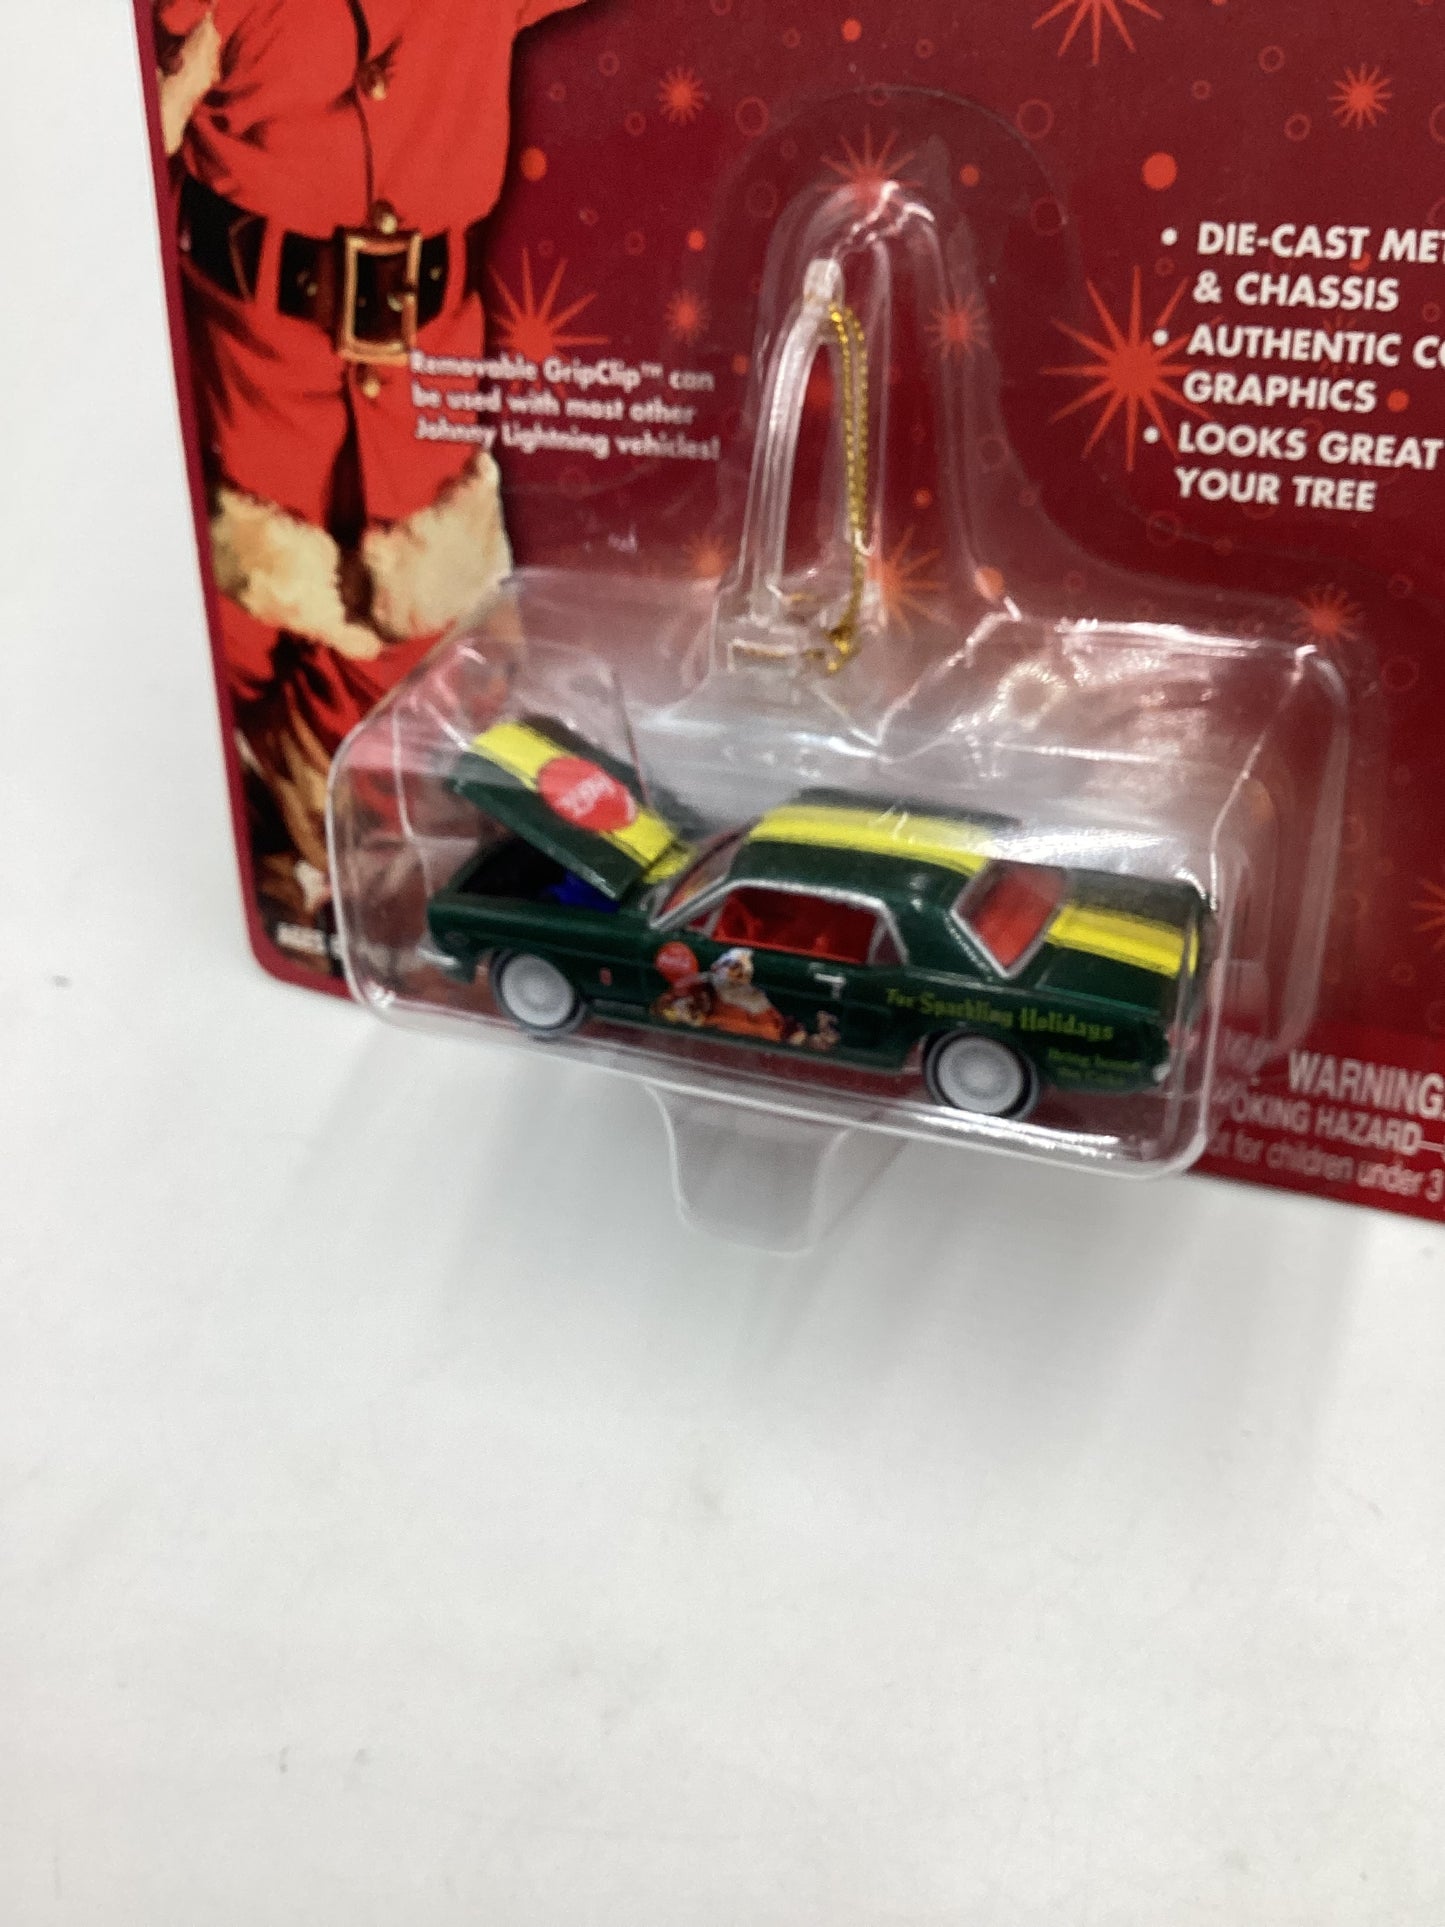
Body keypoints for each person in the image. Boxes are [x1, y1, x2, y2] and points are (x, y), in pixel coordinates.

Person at [152, 0, 585, 962]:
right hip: (250, 373)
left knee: (417, 641)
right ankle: (254, 845)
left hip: (425, 375)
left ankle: (321, 838)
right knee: (226, 630)